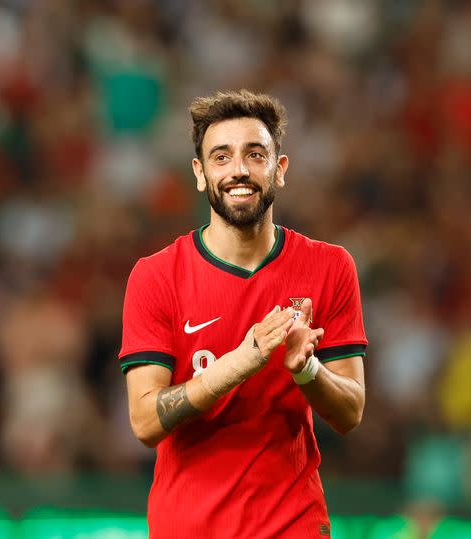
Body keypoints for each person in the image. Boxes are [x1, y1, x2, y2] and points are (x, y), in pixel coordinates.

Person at [118, 90, 368, 539]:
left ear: (280, 169)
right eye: (221, 157)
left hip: (293, 523)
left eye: (256, 155)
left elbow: (350, 412)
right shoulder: (156, 276)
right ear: (199, 173)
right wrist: (241, 361)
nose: (239, 170)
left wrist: (307, 370)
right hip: (188, 527)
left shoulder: (330, 267)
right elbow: (144, 422)